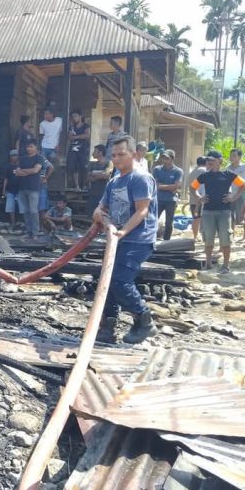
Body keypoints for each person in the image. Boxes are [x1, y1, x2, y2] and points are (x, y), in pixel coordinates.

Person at [93, 135, 159, 345]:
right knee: (106, 280)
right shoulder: (114, 181)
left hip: (138, 239)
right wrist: (98, 213)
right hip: (117, 239)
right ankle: (108, 327)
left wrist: (123, 232)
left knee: (120, 280)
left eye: (121, 154)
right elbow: (101, 206)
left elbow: (142, 211)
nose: (117, 158)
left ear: (134, 154)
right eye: (113, 155)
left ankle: (144, 320)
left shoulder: (140, 178)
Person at [191, 150, 245, 273]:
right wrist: (198, 198)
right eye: (208, 160)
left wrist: (233, 197)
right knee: (208, 239)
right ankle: (208, 263)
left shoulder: (228, 174)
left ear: (220, 161)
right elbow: (192, 187)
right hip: (208, 212)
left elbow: (244, 185)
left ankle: (226, 265)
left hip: (224, 212)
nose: (209, 162)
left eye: (212, 160)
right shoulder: (205, 175)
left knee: (225, 239)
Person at [14, 140, 44, 239]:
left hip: (33, 188)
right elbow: (16, 172)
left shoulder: (39, 158)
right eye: (28, 147)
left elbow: (36, 170)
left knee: (34, 211)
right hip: (22, 187)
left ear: (36, 147)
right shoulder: (22, 159)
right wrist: (29, 171)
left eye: (31, 147)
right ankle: (29, 231)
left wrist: (23, 171)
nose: (29, 149)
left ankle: (35, 232)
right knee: (25, 211)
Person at [152, 149, 183, 241]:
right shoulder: (157, 169)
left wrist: (161, 186)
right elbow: (154, 185)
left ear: (172, 159)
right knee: (153, 221)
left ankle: (166, 241)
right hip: (158, 199)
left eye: (167, 158)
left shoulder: (178, 171)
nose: (164, 160)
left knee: (169, 223)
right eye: (163, 158)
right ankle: (151, 239)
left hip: (171, 200)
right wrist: (171, 187)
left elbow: (178, 186)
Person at [228, 148, 245, 237]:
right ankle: (231, 234)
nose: (231, 157)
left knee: (244, 216)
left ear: (240, 157)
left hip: (243, 195)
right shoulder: (227, 169)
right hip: (231, 195)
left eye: (234, 156)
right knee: (230, 215)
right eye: (231, 156)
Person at [87, 144, 113, 217]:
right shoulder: (91, 164)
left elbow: (106, 175)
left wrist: (93, 174)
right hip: (92, 193)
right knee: (91, 214)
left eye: (95, 151)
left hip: (103, 193)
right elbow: (88, 177)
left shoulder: (108, 163)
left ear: (100, 153)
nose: (93, 153)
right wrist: (100, 174)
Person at [67, 110, 90, 190]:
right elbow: (70, 138)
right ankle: (77, 186)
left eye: (76, 116)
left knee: (84, 167)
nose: (74, 118)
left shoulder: (85, 126)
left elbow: (87, 136)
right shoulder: (72, 127)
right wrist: (75, 137)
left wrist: (76, 137)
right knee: (74, 168)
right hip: (73, 150)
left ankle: (84, 185)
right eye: (73, 116)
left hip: (83, 149)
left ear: (80, 116)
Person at [187, 156, 207, 242]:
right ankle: (202, 237)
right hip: (201, 198)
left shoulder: (192, 172)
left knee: (195, 217)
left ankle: (195, 236)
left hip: (192, 197)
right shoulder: (204, 170)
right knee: (201, 218)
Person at [2, 149, 21, 231]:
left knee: (22, 207)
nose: (14, 157)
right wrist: (3, 190)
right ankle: (13, 223)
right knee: (10, 208)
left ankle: (23, 223)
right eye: (12, 156)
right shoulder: (8, 167)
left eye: (15, 155)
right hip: (10, 190)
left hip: (20, 190)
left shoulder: (22, 166)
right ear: (10, 157)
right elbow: (6, 179)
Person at [38, 156, 54, 227]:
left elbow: (51, 167)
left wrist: (46, 178)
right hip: (34, 184)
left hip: (41, 184)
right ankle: (38, 226)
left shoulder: (42, 158)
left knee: (41, 207)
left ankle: (41, 226)